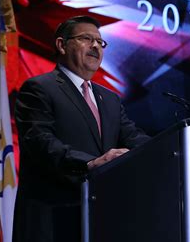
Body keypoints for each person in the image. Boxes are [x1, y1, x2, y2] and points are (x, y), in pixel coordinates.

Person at [12, 15, 150, 242]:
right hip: (52, 222)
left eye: (100, 42)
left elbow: (133, 137)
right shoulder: (39, 88)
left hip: (98, 222)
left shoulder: (110, 99)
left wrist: (171, 147)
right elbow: (40, 142)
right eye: (86, 38)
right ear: (61, 45)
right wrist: (89, 164)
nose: (95, 46)